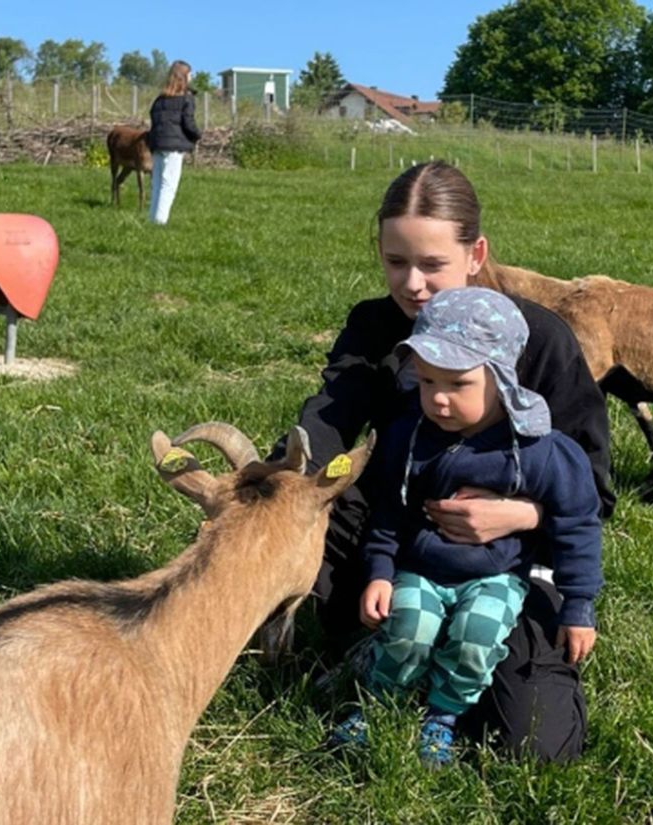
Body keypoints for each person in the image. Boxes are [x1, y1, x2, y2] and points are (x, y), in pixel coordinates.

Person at [272, 161, 614, 762]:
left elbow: (593, 490)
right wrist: (274, 483)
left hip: (509, 561)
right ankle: (376, 643)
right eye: (395, 262)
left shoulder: (540, 337)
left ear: (475, 253)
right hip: (400, 525)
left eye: (433, 265)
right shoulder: (376, 326)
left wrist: (519, 517)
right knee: (285, 558)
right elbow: (330, 415)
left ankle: (445, 673)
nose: (412, 284)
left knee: (536, 745)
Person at [324, 287, 602, 768]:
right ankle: (377, 697)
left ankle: (443, 714)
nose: (438, 399)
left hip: (496, 576)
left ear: (501, 379)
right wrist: (380, 572)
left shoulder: (543, 450)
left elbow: (579, 525)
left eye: (457, 384)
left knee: (477, 635)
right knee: (409, 626)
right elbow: (389, 510)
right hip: (422, 567)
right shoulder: (409, 437)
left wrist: (578, 605)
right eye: (427, 381)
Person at [146, 60, 200, 225]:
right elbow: (188, 123)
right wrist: (197, 135)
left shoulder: (159, 100)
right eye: (189, 74)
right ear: (183, 77)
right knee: (168, 185)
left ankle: (152, 219)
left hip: (157, 145)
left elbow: (154, 121)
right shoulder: (186, 99)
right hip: (174, 147)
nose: (191, 77)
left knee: (157, 183)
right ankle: (160, 221)